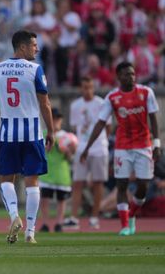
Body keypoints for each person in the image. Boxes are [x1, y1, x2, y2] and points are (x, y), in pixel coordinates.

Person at [0, 30, 54, 244]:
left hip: (8, 134)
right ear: (22, 47)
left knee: (6, 179)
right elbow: (45, 103)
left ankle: (14, 216)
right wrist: (51, 130)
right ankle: (30, 232)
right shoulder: (35, 70)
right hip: (32, 133)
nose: (37, 49)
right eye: (33, 45)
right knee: (32, 181)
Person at [80, 61, 160, 236]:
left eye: (132, 74)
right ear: (118, 77)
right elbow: (100, 123)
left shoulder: (146, 93)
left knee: (143, 186)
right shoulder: (112, 97)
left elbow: (153, 118)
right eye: (126, 74)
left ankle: (132, 213)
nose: (131, 77)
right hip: (122, 146)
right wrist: (87, 147)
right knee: (121, 184)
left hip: (144, 145)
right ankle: (124, 225)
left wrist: (157, 144)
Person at [64, 76, 111, 230]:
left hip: (99, 148)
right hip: (81, 147)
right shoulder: (75, 105)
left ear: (93, 87)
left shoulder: (101, 103)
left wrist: (102, 142)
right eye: (84, 87)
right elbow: (75, 128)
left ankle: (94, 217)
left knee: (98, 183)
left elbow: (108, 127)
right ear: (80, 88)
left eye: (90, 87)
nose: (87, 90)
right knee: (78, 182)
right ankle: (74, 217)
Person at [39, 108, 73, 233]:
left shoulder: (66, 136)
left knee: (61, 199)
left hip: (61, 172)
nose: (57, 121)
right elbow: (41, 152)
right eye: (54, 118)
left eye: (58, 118)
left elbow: (70, 157)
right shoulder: (43, 134)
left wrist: (68, 151)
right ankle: (45, 223)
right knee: (45, 199)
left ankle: (59, 222)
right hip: (47, 172)